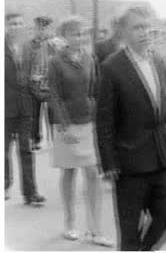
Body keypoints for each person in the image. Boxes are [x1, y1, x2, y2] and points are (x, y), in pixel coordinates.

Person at [95, 6, 166, 251]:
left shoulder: (157, 61)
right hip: (129, 163)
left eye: (146, 26)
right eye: (137, 27)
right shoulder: (112, 67)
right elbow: (104, 120)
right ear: (122, 31)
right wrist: (108, 163)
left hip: (159, 158)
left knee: (165, 219)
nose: (144, 32)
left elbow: (160, 105)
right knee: (130, 232)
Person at [48, 17, 112, 246]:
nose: (81, 37)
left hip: (88, 123)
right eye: (75, 34)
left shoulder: (90, 58)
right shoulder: (55, 62)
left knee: (93, 174)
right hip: (66, 125)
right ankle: (69, 224)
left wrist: (98, 117)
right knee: (69, 173)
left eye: (83, 33)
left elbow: (94, 89)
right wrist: (64, 125)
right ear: (64, 37)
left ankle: (95, 230)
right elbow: (53, 94)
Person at [4, 12, 46, 205]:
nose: (17, 26)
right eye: (13, 23)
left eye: (20, 23)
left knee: (26, 149)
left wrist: (37, 85)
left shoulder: (29, 48)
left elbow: (35, 73)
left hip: (26, 107)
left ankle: (30, 193)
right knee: (3, 149)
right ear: (6, 25)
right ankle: (4, 185)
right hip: (5, 106)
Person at [24, 16, 58, 150]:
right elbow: (26, 64)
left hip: (50, 84)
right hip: (35, 84)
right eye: (39, 28)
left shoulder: (54, 44)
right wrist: (30, 77)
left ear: (48, 29)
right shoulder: (29, 45)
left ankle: (56, 140)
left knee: (53, 114)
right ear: (35, 29)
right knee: (34, 114)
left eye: (44, 28)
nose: (41, 31)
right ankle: (35, 140)